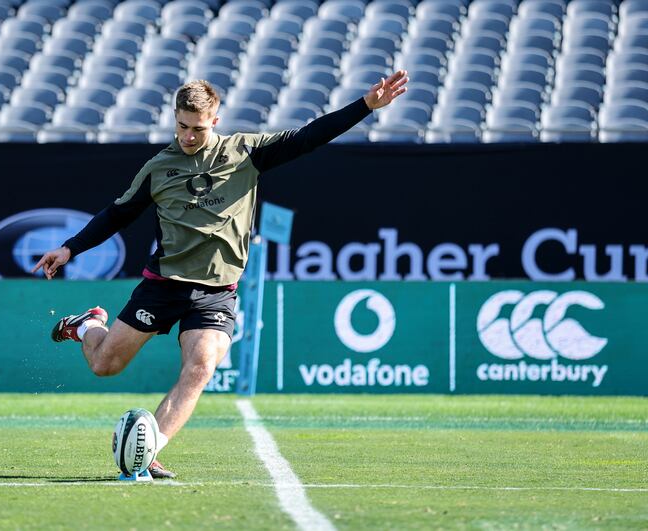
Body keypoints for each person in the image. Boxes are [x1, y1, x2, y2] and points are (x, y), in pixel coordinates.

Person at [32, 72, 409, 478]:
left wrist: (365, 107)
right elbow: (117, 214)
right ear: (174, 118)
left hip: (217, 292)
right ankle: (88, 326)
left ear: (215, 119)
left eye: (197, 128)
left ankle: (150, 451)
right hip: (164, 285)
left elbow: (308, 137)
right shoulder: (159, 167)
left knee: (200, 368)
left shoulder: (246, 151)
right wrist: (70, 247)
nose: (188, 136)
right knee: (106, 365)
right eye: (181, 126)